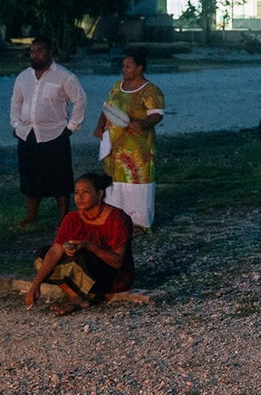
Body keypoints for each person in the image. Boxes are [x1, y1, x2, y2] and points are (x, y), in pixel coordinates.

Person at [25, 171, 134, 316]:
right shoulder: (72, 218)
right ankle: (76, 296)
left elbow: (118, 262)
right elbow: (55, 251)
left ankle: (82, 296)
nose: (79, 197)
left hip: (111, 276)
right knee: (42, 257)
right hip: (83, 269)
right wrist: (35, 285)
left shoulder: (117, 218)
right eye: (76, 193)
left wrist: (88, 246)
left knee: (79, 256)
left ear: (100, 194)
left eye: (85, 192)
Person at [10, 36, 87, 227]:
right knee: (30, 177)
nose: (36, 55)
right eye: (33, 51)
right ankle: (31, 217)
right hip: (28, 134)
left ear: (49, 52)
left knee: (60, 178)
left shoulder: (64, 76)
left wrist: (71, 128)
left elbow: (80, 101)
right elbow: (16, 102)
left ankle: (63, 219)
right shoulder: (23, 77)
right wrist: (16, 125)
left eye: (41, 51)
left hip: (55, 134)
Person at [94, 47, 165, 232]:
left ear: (139, 68)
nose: (124, 69)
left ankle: (140, 221)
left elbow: (157, 114)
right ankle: (115, 218)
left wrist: (143, 123)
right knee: (115, 180)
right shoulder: (117, 87)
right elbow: (107, 109)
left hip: (138, 147)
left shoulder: (150, 90)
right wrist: (100, 127)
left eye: (128, 66)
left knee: (138, 180)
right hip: (115, 146)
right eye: (123, 66)